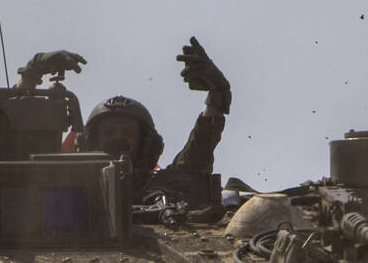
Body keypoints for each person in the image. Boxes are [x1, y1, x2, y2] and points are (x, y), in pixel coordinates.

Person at [17, 37, 231, 211]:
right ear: (89, 140)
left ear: (146, 145)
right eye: (109, 131)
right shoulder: (63, 183)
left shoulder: (160, 187)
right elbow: (12, 147)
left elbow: (199, 150)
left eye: (128, 132)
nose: (117, 138)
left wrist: (218, 94)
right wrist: (31, 73)